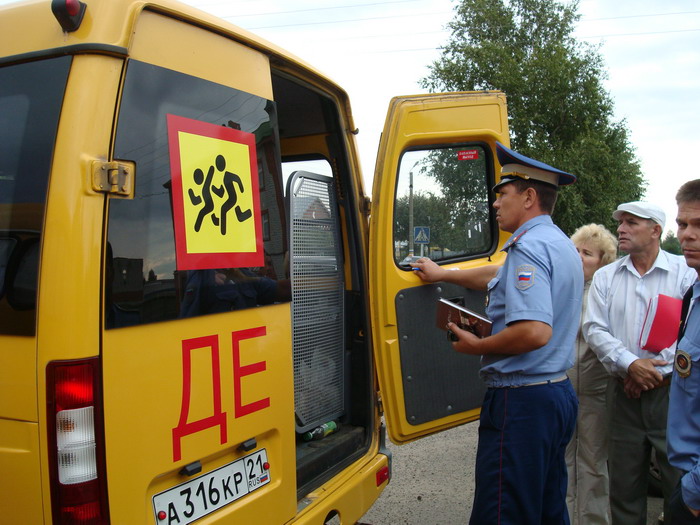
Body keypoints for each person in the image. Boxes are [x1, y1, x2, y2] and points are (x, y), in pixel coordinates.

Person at [412, 141, 582, 525]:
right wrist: (445, 275)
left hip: (522, 403)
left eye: (502, 194)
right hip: (553, 394)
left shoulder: (528, 248)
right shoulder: (558, 243)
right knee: (547, 508)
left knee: (503, 512)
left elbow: (535, 332)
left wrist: (478, 346)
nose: (494, 203)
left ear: (529, 197)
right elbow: (495, 274)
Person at [583, 201, 696, 524]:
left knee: (680, 483)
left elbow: (689, 333)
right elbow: (594, 328)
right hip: (623, 396)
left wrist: (654, 372)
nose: (621, 229)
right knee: (624, 486)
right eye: (620, 223)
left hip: (673, 394)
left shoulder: (685, 274)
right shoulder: (607, 277)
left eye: (632, 223)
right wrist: (630, 364)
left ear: (655, 230)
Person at [566, 224, 618, 524]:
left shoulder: (605, 294)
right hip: (562, 387)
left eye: (587, 253)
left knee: (594, 463)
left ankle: (594, 520)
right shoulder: (559, 287)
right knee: (559, 461)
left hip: (596, 392)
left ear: (602, 262)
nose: (578, 257)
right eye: (575, 250)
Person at [667, 179, 700, 524]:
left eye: (699, 225)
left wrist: (692, 495)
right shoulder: (693, 294)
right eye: (683, 223)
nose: (687, 234)